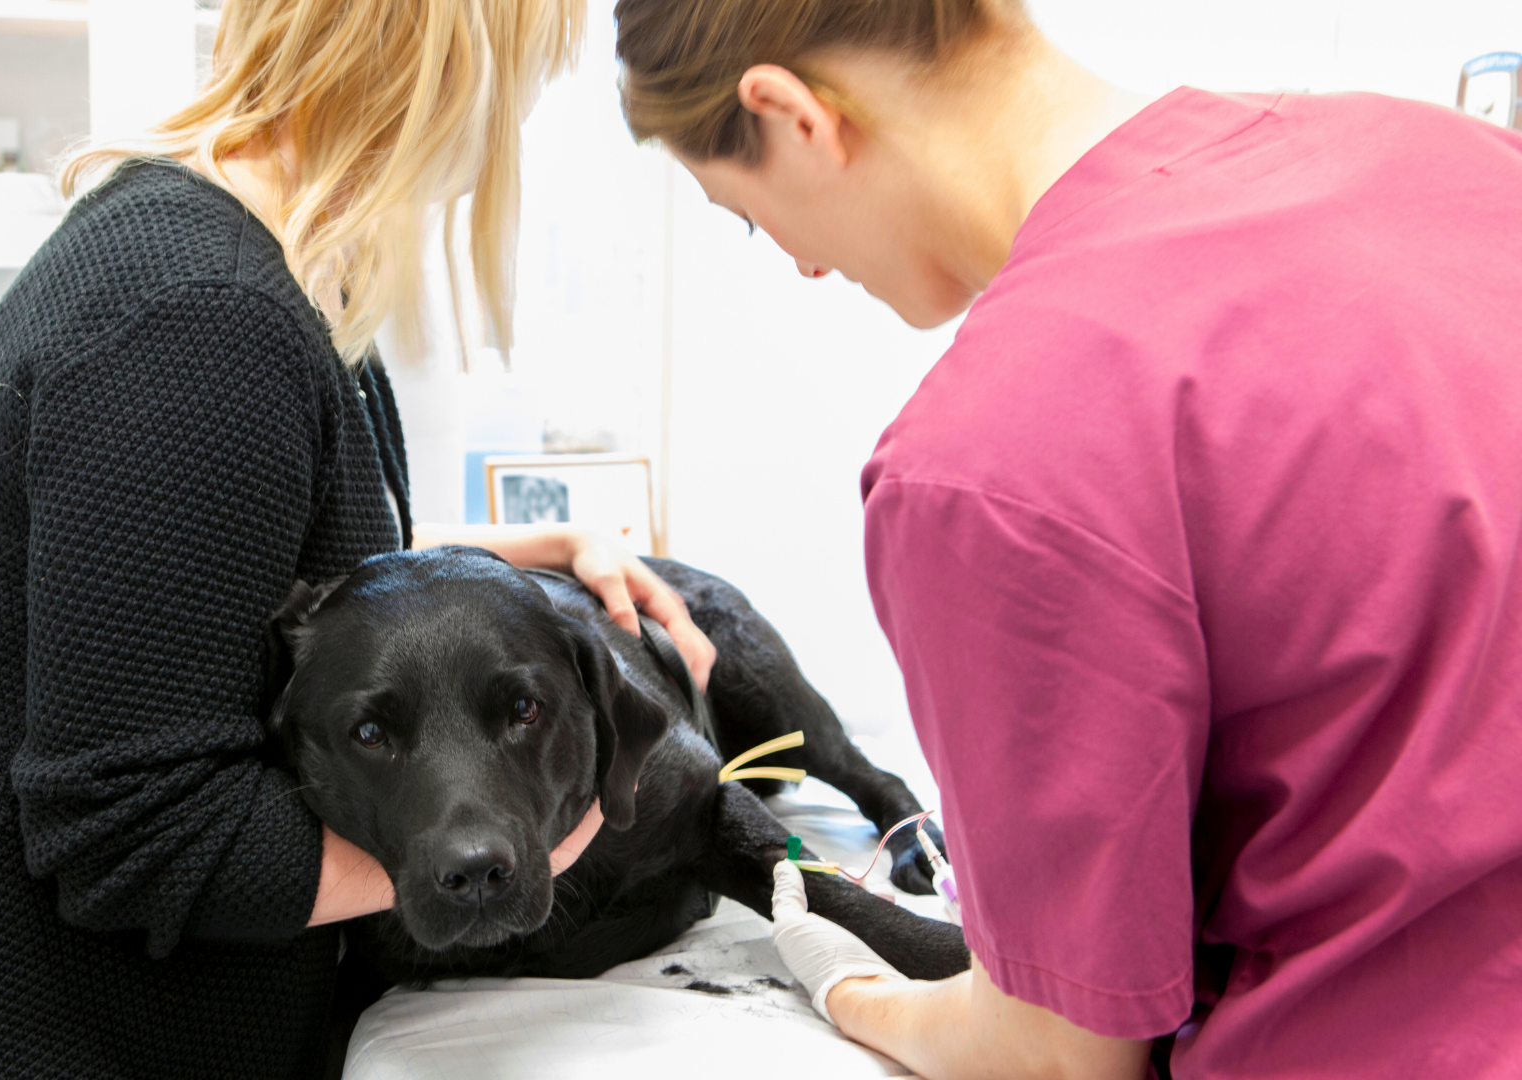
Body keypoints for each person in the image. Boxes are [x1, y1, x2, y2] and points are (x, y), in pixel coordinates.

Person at [0, 1, 713, 1077]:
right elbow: (147, 841)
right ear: (446, 67)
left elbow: (248, 561)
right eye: (521, 80)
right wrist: (525, 840)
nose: (505, 129)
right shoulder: (199, 316)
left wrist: (534, 551)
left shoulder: (253, 263)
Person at [614, 0, 1522, 1077]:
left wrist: (855, 995)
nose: (806, 267)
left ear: (792, 115)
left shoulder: (986, 459)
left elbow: (1063, 1056)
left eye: (755, 217)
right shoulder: (1458, 158)